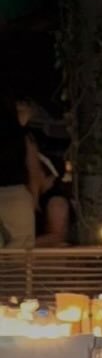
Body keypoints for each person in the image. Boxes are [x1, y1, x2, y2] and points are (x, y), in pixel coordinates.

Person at [0, 97, 40, 248]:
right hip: (15, 194)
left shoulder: (22, 135)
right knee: (20, 248)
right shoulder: (22, 135)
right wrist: (34, 199)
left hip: (15, 193)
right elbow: (33, 168)